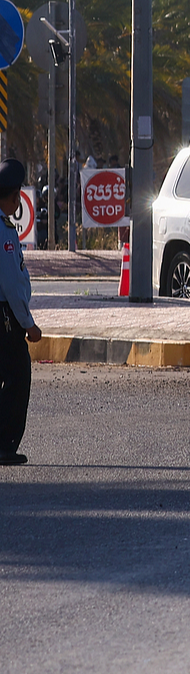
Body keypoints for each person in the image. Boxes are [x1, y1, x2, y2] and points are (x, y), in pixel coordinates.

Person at [0, 159, 42, 466]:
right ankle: (5, 445)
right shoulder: (4, 233)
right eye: (16, 196)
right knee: (17, 378)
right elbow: (12, 285)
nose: (17, 201)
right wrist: (28, 324)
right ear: (12, 197)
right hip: (5, 318)